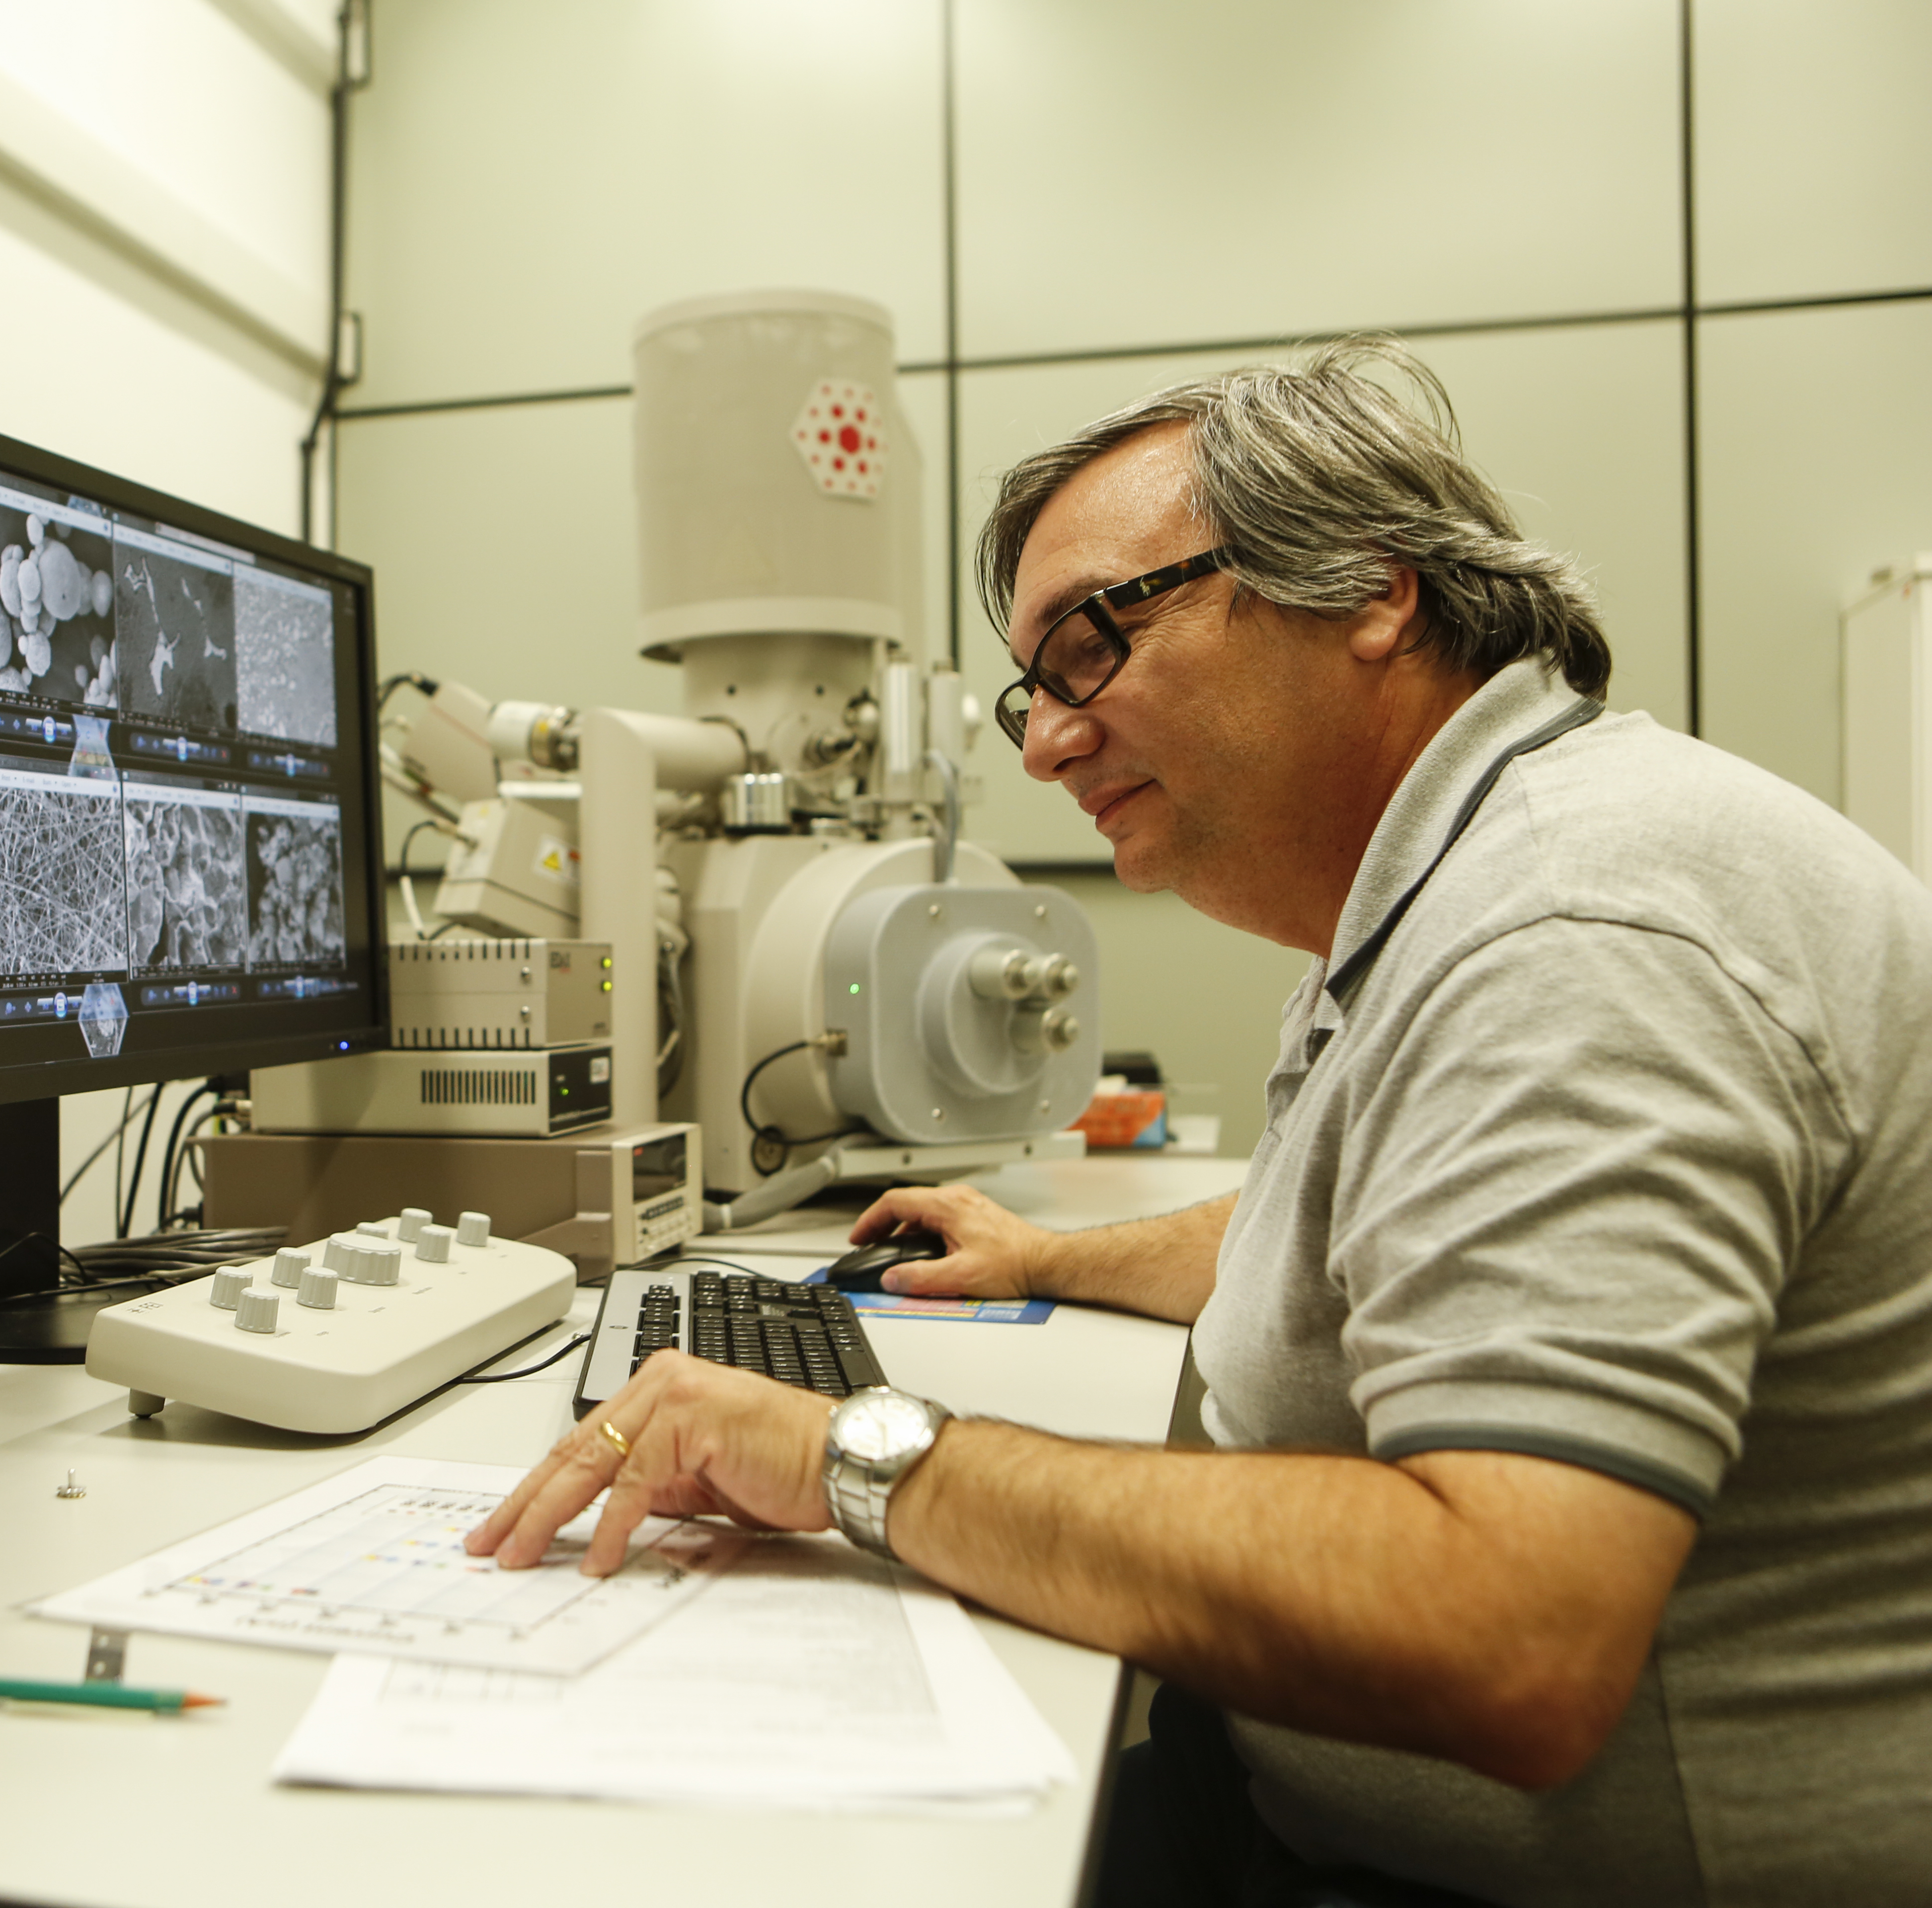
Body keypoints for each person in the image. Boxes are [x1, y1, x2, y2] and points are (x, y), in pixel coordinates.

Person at [466, 338, 1932, 1907]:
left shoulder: (1576, 931)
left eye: (1092, 643)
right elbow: (1374, 1226)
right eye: (1032, 688)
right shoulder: (1438, 886)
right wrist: (1058, 1255)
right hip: (1320, 1810)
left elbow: (1510, 1632)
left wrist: (844, 1450)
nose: (1042, 743)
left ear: (1370, 588)